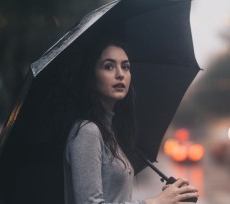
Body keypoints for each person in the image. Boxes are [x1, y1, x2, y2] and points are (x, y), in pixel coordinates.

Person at [62, 38, 199, 204]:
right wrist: (155, 202)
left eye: (125, 67)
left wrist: (169, 197)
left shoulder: (109, 132)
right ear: (91, 75)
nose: (120, 74)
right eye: (109, 66)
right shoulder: (88, 132)